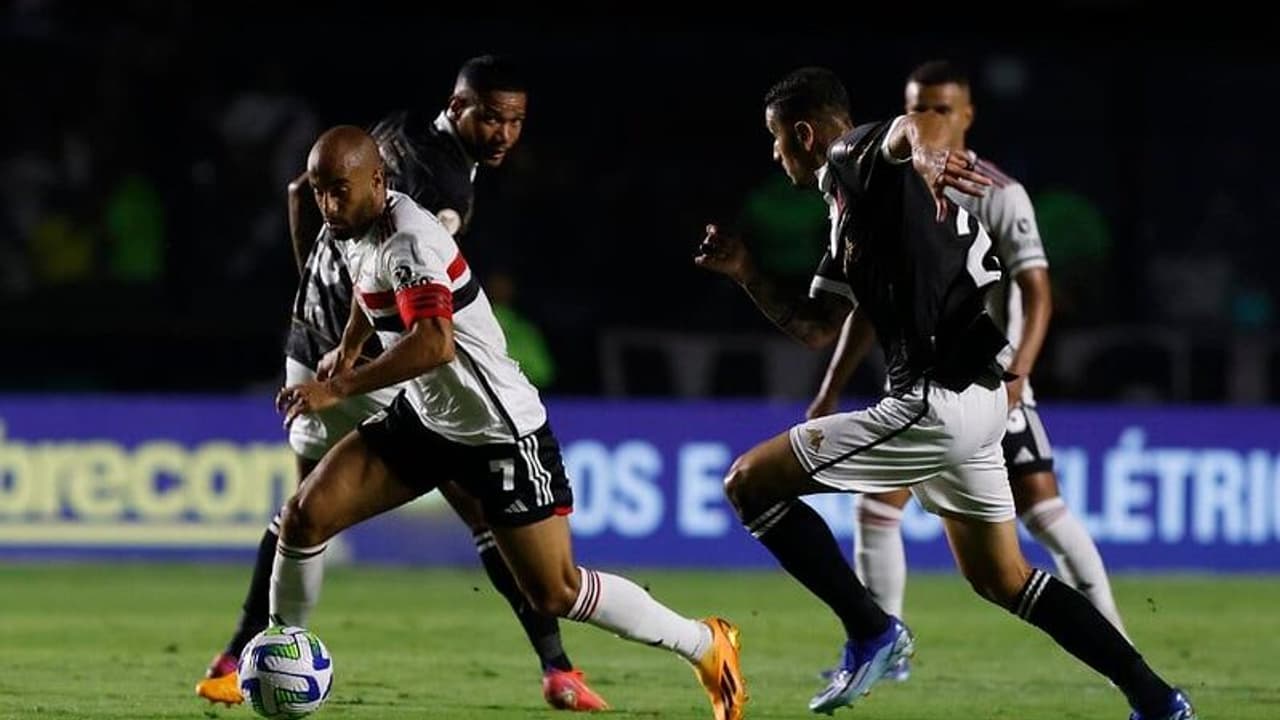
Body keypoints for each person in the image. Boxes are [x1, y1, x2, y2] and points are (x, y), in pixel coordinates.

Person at [694, 67, 1194, 719]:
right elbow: (818, 327)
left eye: (775, 138)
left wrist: (929, 153)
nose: (773, 152)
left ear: (804, 133)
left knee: (748, 483)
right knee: (1003, 578)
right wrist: (747, 273)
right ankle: (1157, 699)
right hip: (980, 400)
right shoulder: (854, 214)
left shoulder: (854, 157)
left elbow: (912, 129)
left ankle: (873, 630)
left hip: (935, 402)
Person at [271, 125, 746, 720]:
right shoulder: (349, 226)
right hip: (426, 421)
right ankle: (280, 654)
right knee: (304, 517)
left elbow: (434, 343)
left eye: (338, 190)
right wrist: (349, 346)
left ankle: (705, 643)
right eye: (319, 191)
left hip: (499, 432)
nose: (327, 204)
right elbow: (371, 294)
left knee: (556, 591)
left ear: (379, 181)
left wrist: (334, 388)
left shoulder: (410, 242)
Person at [196, 56, 606, 712]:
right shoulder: (445, 185)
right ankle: (558, 667)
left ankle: (237, 654)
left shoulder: (393, 131)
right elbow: (423, 310)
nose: (503, 133)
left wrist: (315, 287)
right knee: (475, 504)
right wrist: (353, 344)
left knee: (306, 506)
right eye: (493, 118)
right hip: (380, 357)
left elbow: (303, 192)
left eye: (515, 122)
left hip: (315, 341)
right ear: (461, 107)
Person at [805, 60, 1128, 683]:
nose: (928, 120)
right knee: (880, 508)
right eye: (917, 107)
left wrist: (1019, 376)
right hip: (925, 386)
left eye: (941, 109)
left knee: (1041, 512)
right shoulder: (893, 185)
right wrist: (831, 388)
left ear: (968, 115)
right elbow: (867, 308)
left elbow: (1038, 290)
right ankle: (887, 651)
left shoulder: (998, 191)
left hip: (992, 380)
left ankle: (1113, 633)